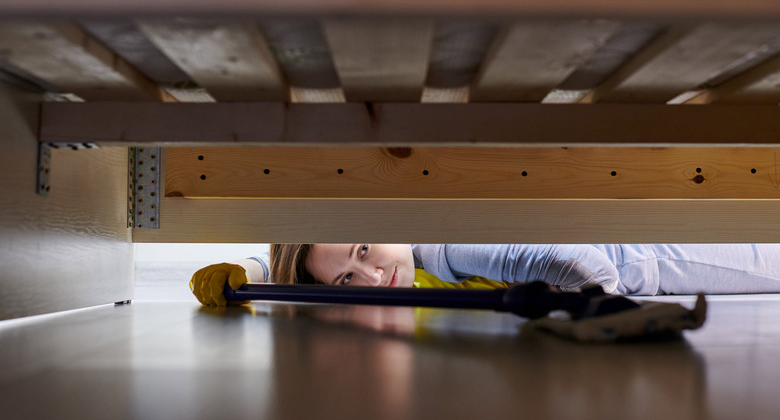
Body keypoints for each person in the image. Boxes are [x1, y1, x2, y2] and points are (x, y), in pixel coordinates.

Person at [190, 243, 780, 306]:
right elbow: (288, 263)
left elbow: (588, 269)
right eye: (347, 279)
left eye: (365, 249)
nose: (371, 277)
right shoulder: (409, 270)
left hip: (670, 258)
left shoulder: (442, 246)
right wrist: (246, 270)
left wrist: (589, 305)